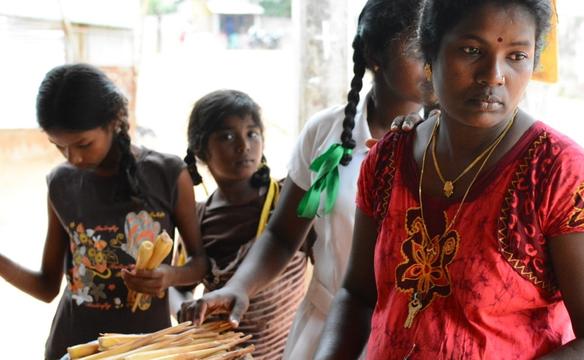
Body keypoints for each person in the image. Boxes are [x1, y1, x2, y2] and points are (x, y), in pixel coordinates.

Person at [314, 0, 584, 359]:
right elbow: (357, 295)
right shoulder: (388, 159)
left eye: (516, 56)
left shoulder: (567, 179)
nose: (493, 74)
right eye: (471, 51)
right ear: (430, 53)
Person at [179, 1, 436, 358]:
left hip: (416, 336)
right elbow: (284, 236)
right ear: (374, 55)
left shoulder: (454, 143)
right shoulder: (325, 133)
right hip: (328, 328)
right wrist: (240, 286)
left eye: (438, 45)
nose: (434, 62)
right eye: (419, 50)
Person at [0, 64, 209, 360]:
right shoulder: (61, 182)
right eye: (59, 147)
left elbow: (200, 263)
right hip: (75, 347)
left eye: (83, 144)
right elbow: (47, 287)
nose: (72, 158)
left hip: (147, 349)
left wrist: (170, 275)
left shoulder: (168, 174)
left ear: (115, 120)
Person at [177, 89, 308, 359]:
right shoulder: (198, 218)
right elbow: (178, 288)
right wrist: (187, 311)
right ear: (201, 149)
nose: (244, 145)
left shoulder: (286, 203)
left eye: (252, 133)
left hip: (288, 352)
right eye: (227, 136)